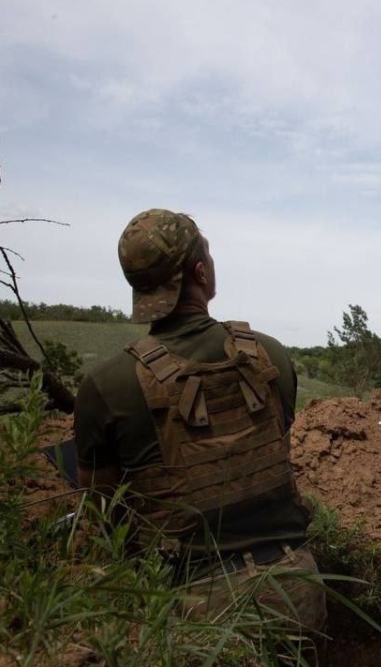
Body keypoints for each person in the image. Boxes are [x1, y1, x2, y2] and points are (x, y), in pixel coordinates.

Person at [74, 209, 327, 640]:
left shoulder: (105, 385)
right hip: (296, 589)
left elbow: (101, 514)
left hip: (195, 610)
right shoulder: (271, 356)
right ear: (200, 271)